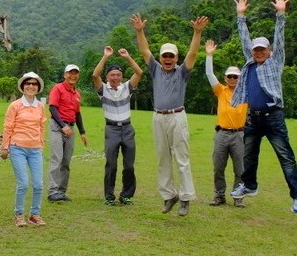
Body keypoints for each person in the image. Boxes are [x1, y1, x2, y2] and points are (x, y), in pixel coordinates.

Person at [230, 0, 297, 213]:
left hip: (274, 117)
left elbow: (279, 39)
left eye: (263, 49)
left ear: (269, 50)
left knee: (285, 156)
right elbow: (244, 38)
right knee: (249, 155)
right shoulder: (249, 62)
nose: (259, 52)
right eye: (256, 49)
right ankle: (249, 185)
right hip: (253, 117)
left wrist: (281, 14)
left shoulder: (275, 61)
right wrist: (240, 16)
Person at [131, 13, 208, 217]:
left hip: (177, 117)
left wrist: (197, 33)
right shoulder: (155, 70)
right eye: (164, 56)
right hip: (158, 117)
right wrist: (140, 31)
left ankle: (185, 198)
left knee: (181, 159)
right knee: (162, 158)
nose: (167, 59)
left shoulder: (182, 72)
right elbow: (145, 50)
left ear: (176, 58)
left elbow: (192, 53)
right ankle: (168, 196)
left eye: (171, 56)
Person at [92, 46, 143, 206]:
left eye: (118, 75)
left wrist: (127, 57)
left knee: (129, 165)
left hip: (127, 129)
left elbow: (139, 73)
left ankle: (126, 195)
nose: (115, 77)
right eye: (112, 75)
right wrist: (105, 56)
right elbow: (95, 75)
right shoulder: (103, 90)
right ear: (107, 76)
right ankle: (109, 196)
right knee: (111, 164)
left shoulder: (127, 87)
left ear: (122, 76)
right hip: (111, 129)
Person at [0, 72, 48, 227]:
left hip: (35, 149)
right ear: (22, 86)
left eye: (34, 84)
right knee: (23, 183)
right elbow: (8, 127)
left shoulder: (40, 106)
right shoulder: (15, 106)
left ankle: (35, 214)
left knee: (38, 184)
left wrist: (41, 144)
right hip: (17, 148)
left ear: (38, 87)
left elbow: (41, 127)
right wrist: (5, 148)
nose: (31, 86)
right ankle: (19, 215)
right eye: (28, 83)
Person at [204, 40, 248, 207]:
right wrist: (209, 56)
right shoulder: (221, 91)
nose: (232, 79)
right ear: (225, 78)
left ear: (240, 78)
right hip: (222, 133)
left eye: (235, 76)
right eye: (229, 76)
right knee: (218, 167)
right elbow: (209, 74)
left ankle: (238, 197)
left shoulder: (246, 92)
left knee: (240, 169)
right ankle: (219, 195)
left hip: (239, 134)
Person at [46, 64, 89, 202]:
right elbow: (52, 108)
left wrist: (82, 132)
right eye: (70, 73)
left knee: (66, 161)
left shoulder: (76, 93)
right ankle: (52, 191)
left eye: (76, 73)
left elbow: (77, 114)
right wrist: (63, 125)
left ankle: (61, 191)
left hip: (71, 128)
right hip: (58, 127)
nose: (73, 75)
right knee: (57, 158)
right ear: (65, 74)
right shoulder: (58, 88)